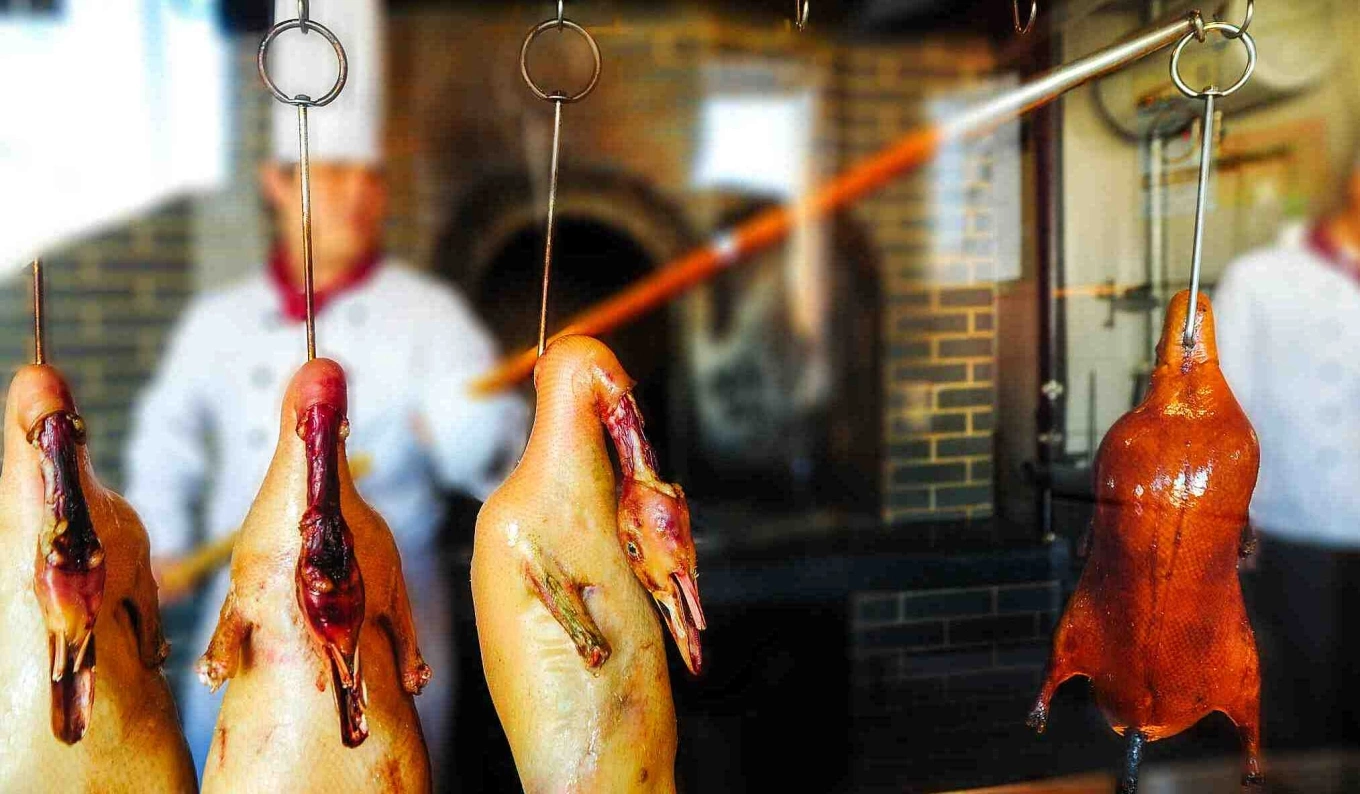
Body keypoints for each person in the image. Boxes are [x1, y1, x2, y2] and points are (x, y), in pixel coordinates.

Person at [123, 0, 527, 782]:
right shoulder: (218, 320)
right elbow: (166, 433)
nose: (358, 195)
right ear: (278, 182)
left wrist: (464, 425)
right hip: (248, 611)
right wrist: (160, 535)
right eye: (334, 171)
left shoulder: (430, 314)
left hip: (387, 622)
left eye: (371, 176)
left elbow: (499, 456)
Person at [1214, 158, 1360, 751]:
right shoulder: (1260, 279)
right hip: (1296, 528)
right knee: (1306, 709)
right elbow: (1227, 409)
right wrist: (1231, 520)